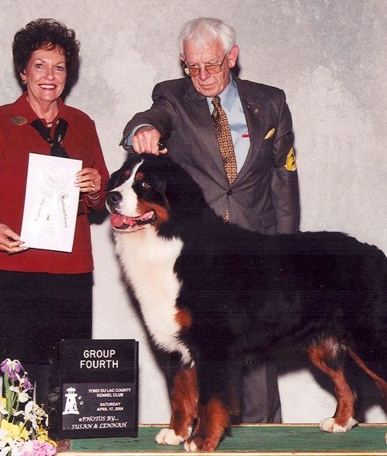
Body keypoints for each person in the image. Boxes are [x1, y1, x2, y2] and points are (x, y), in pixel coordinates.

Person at [121, 17, 300, 423]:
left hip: (257, 253)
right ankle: (198, 432)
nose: (201, 76)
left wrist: (287, 253)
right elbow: (153, 117)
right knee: (198, 355)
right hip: (199, 257)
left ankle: (265, 442)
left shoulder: (271, 102)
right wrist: (144, 129)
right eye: (192, 67)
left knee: (259, 368)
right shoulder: (171, 97)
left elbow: (283, 184)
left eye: (211, 66)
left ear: (232, 58)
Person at [0, 18, 109, 430]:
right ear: (23, 71)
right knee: (18, 379)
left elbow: (98, 198)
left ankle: (60, 445)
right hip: (12, 265)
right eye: (39, 65)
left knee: (64, 375)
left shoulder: (83, 125)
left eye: (59, 66)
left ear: (68, 73)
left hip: (69, 267)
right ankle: (18, 443)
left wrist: (97, 186)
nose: (49, 76)